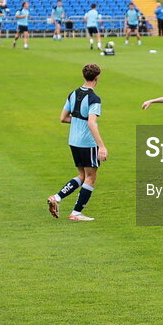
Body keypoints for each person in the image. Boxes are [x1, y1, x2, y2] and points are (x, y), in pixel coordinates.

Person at [47, 63, 107, 222]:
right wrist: (101, 146)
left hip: (73, 141)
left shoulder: (73, 94)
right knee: (91, 177)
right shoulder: (94, 98)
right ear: (97, 78)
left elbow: (63, 118)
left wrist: (77, 122)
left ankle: (57, 197)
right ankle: (76, 213)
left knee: (82, 175)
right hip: (87, 142)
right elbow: (92, 123)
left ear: (84, 76)